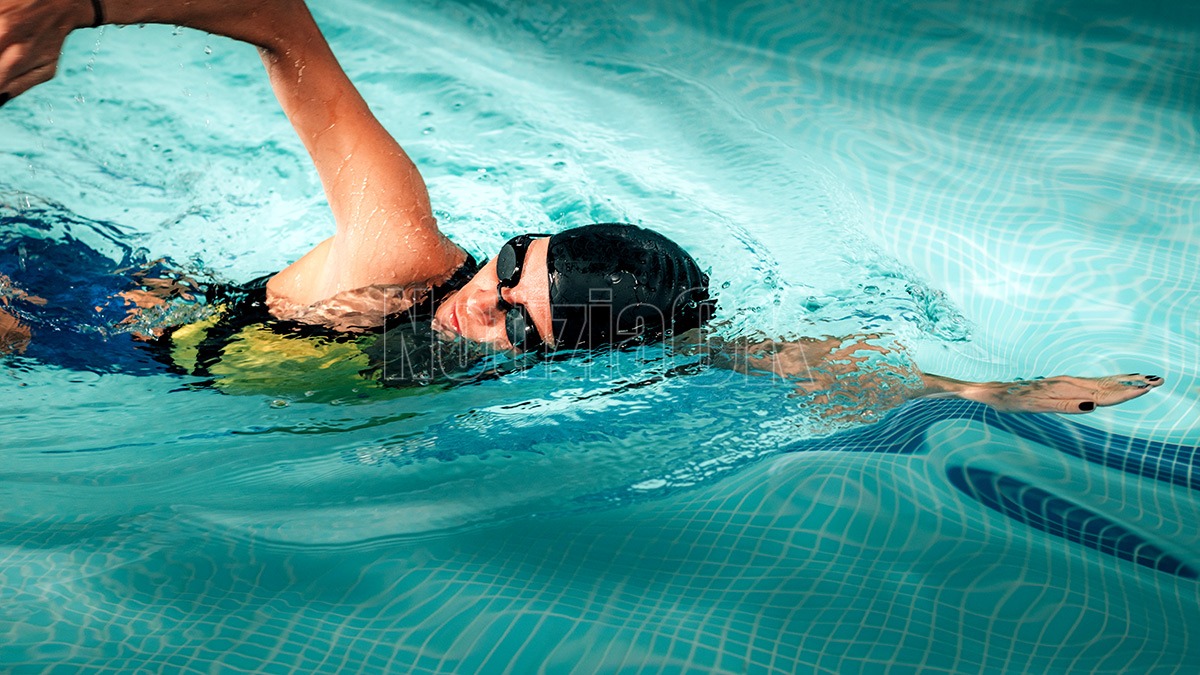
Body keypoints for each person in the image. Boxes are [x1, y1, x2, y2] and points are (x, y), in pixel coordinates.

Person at [0, 0, 1164, 413]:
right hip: (71, 317)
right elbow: (272, 13)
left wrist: (994, 392)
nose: (481, 304)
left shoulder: (597, 353)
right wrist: (78, 8)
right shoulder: (399, 257)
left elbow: (776, 358)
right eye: (510, 266)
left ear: (562, 360)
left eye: (519, 321)